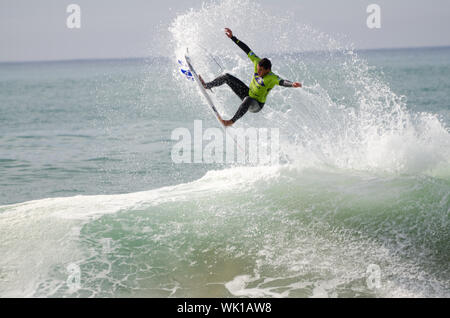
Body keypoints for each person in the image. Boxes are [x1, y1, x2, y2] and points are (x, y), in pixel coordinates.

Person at [199, 28, 302, 126]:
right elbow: (246, 49)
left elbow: (282, 82)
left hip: (256, 105)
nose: (258, 71)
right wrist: (232, 37)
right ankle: (207, 85)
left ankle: (230, 122)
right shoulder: (257, 61)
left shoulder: (272, 77)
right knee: (227, 76)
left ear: (268, 70)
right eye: (258, 69)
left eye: (261, 70)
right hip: (247, 93)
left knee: (248, 99)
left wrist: (292, 84)